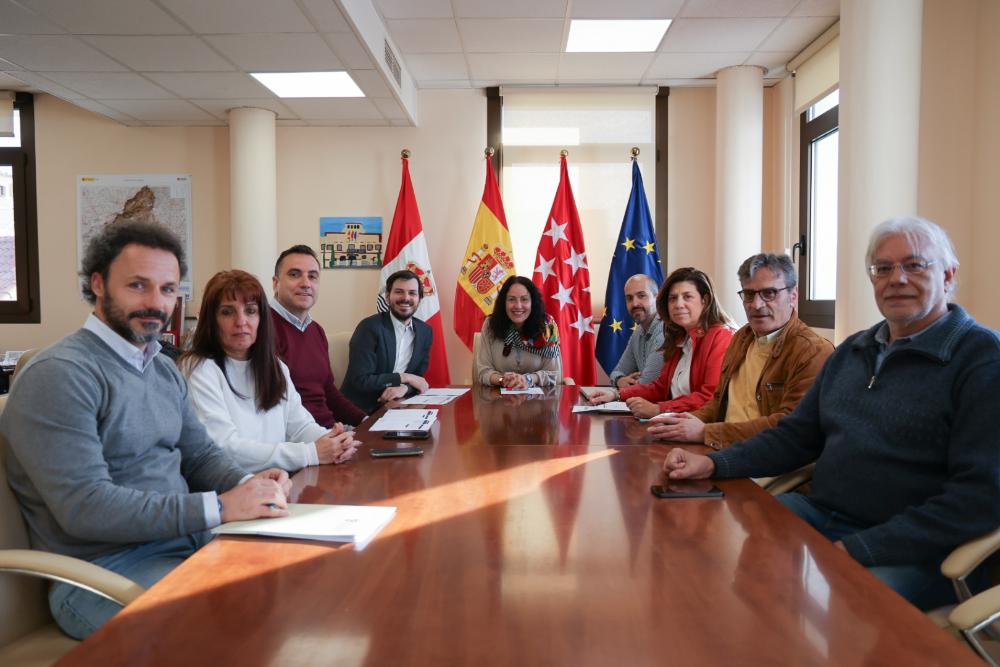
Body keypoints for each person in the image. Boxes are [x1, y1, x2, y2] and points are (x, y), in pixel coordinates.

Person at [662, 217, 1000, 609]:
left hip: (916, 549)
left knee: (846, 607)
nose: (898, 279)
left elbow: (981, 495)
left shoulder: (981, 359)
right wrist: (713, 464)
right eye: (883, 268)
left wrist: (861, 547)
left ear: (948, 275)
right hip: (823, 514)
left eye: (915, 265)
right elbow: (796, 436)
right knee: (727, 536)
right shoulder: (855, 351)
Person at [0, 220, 291, 639]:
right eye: (138, 285)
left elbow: (200, 456)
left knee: (306, 587)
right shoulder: (59, 375)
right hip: (105, 576)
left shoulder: (160, 369)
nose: (157, 303)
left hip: (189, 544)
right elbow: (87, 507)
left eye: (168, 289)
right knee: (237, 634)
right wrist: (222, 507)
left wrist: (253, 487)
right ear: (98, 284)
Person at [180, 269, 360, 474]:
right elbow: (224, 448)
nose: (241, 322)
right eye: (227, 312)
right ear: (211, 321)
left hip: (280, 482)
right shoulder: (197, 368)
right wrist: (311, 453)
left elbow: (300, 426)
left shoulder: (276, 367)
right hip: (232, 490)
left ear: (261, 319)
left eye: (250, 311)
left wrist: (333, 441)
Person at [647, 253, 833, 449]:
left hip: (768, 464)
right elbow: (718, 402)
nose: (756, 304)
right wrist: (680, 423)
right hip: (723, 447)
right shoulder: (742, 337)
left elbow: (790, 427)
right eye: (749, 294)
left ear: (793, 296)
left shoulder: (812, 351)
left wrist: (705, 432)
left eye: (769, 293)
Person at [588, 267, 735, 418]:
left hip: (701, 429)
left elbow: (709, 398)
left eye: (687, 297)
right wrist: (616, 394)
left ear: (705, 300)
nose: (678, 304)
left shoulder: (721, 336)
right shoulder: (679, 337)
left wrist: (659, 409)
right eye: (673, 298)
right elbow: (660, 387)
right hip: (674, 424)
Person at [270, 245, 366, 427]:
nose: (306, 283)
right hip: (300, 442)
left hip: (330, 430)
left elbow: (329, 392)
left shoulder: (316, 330)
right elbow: (273, 410)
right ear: (276, 283)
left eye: (312, 276)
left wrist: (366, 422)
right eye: (294, 274)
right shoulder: (261, 328)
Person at [341, 270, 433, 413]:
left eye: (412, 293)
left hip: (399, 407)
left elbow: (418, 377)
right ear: (387, 296)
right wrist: (404, 377)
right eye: (399, 292)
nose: (406, 298)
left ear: (420, 299)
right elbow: (361, 380)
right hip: (361, 410)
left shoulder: (425, 332)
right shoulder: (369, 327)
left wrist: (404, 387)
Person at [475, 275, 562, 388]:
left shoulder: (547, 327)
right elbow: (483, 371)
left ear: (533, 302)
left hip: (539, 402)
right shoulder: (490, 325)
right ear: (504, 302)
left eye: (524, 299)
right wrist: (502, 380)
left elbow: (554, 374)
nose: (518, 306)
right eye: (511, 299)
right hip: (499, 401)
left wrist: (528, 379)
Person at [607, 274, 666, 388]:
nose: (634, 303)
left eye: (642, 296)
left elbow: (646, 384)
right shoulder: (639, 331)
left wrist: (624, 387)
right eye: (629, 298)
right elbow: (617, 372)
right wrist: (620, 380)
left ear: (657, 298)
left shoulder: (664, 331)